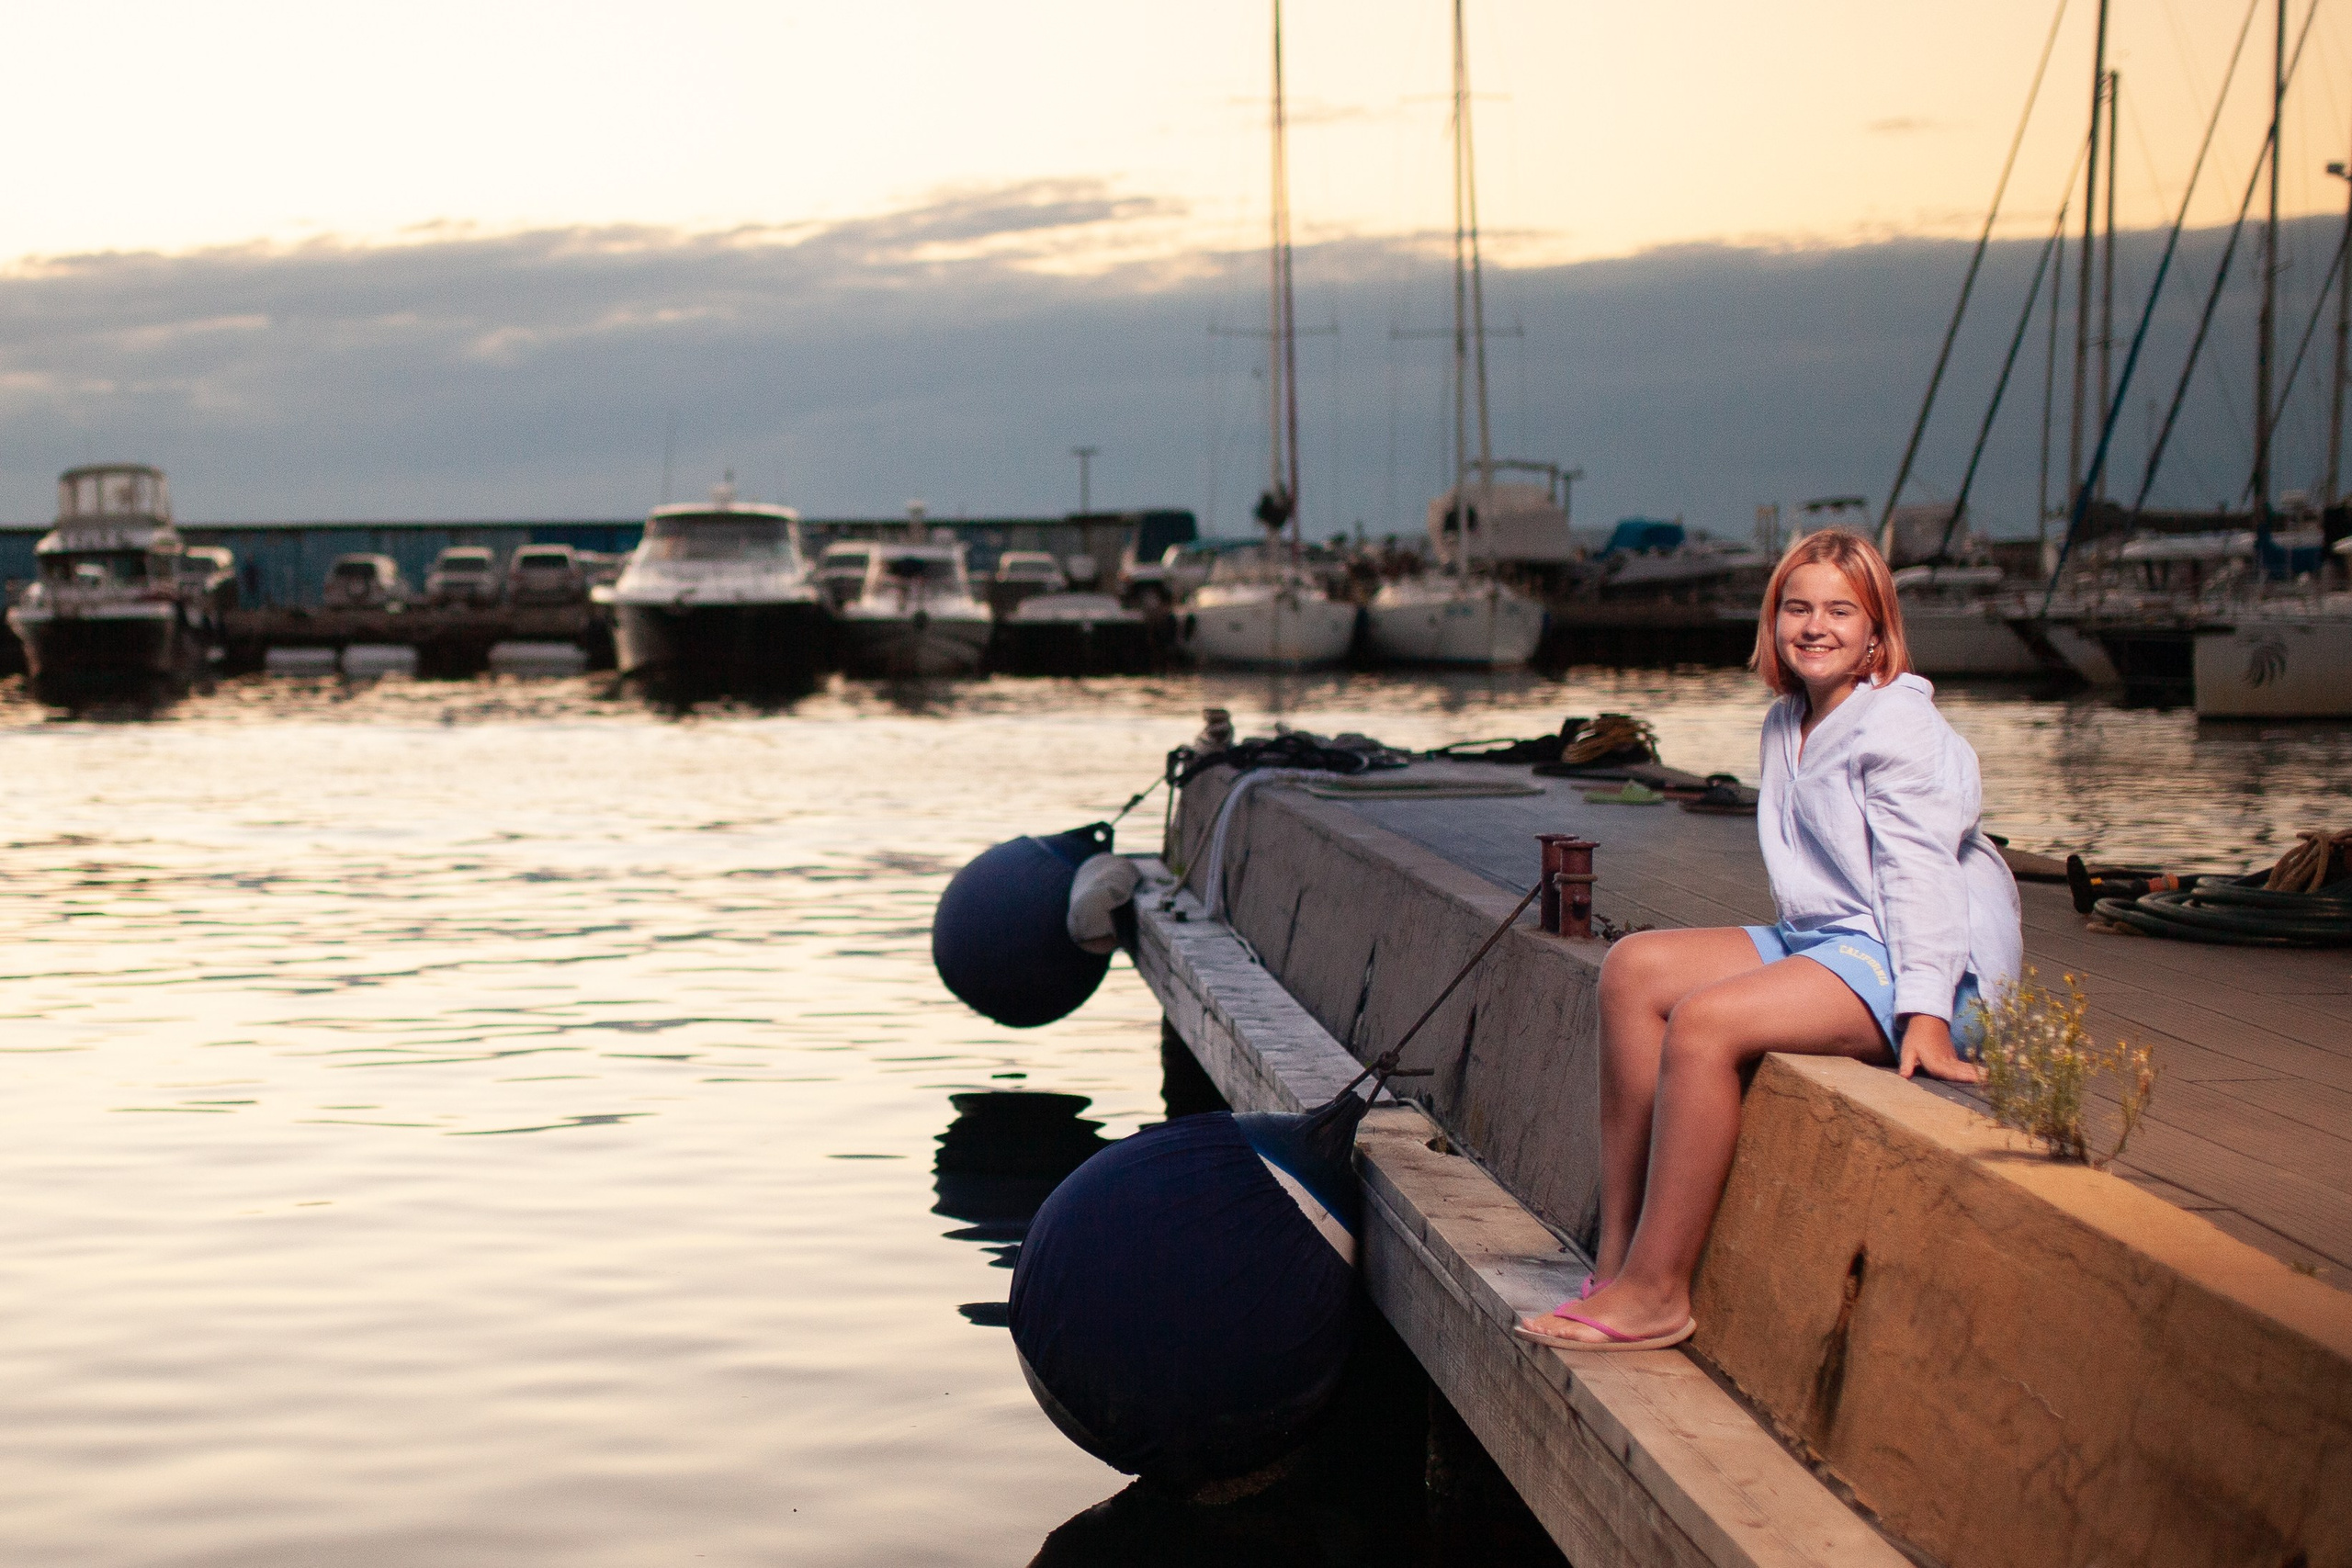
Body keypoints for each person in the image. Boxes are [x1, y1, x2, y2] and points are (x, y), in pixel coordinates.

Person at [1516, 530, 2021, 1352]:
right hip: (1833, 939)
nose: (1815, 625)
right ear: (1773, 620)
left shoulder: (1898, 728)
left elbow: (1923, 880)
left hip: (1925, 963)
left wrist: (1926, 1012)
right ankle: (1616, 1263)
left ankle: (1657, 1292)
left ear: (1877, 633)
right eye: (1797, 607)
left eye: (1839, 610)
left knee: (1709, 1023)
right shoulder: (1790, 719)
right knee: (1634, 969)